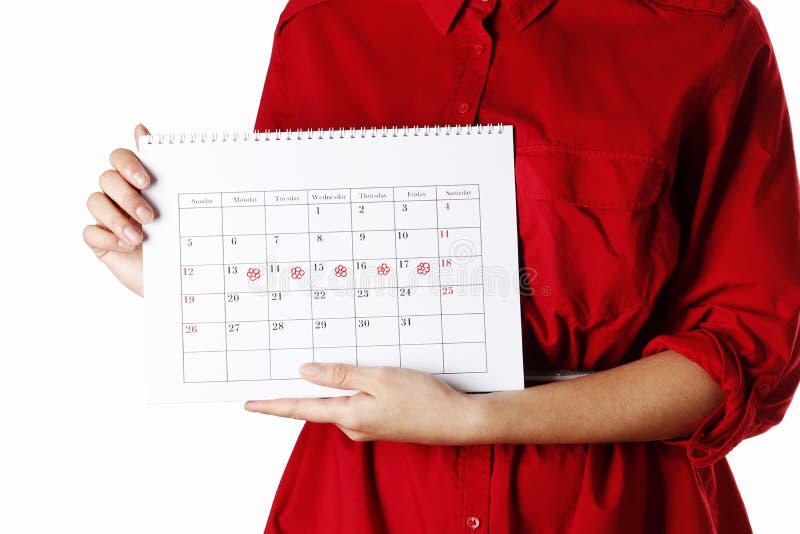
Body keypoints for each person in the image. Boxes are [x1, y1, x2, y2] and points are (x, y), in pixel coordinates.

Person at [84, 0, 800, 532]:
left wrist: (473, 421)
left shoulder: (703, 30)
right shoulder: (324, 22)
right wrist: (173, 270)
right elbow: (306, 291)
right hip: (359, 507)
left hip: (612, 510)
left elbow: (743, 357)